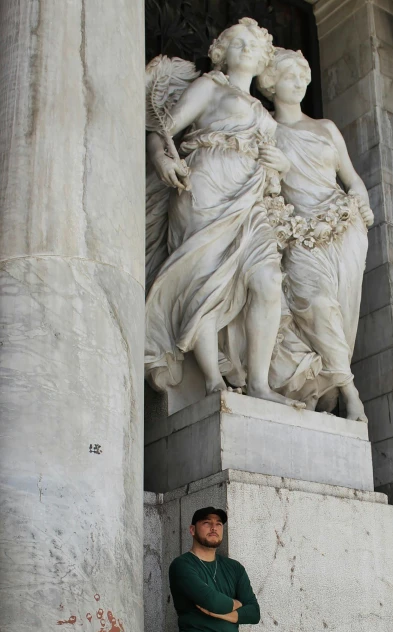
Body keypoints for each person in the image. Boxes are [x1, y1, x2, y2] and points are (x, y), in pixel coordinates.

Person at [144, 19, 303, 407]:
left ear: (264, 57)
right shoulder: (210, 86)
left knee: (267, 280)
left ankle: (260, 384)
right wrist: (161, 159)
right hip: (206, 187)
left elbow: (277, 167)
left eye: (254, 45)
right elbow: (162, 129)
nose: (247, 49)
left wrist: (279, 163)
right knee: (206, 284)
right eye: (238, 43)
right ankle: (213, 380)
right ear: (221, 52)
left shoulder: (263, 110)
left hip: (250, 198)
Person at [258, 49, 374, 421]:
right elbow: (260, 190)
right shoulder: (265, 130)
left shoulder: (325, 128)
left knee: (340, 314)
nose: (300, 83)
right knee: (317, 304)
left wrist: (362, 202)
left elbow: (353, 179)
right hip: (299, 232)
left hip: (343, 231)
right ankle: (350, 393)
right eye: (290, 76)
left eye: (303, 77)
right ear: (271, 83)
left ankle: (324, 390)